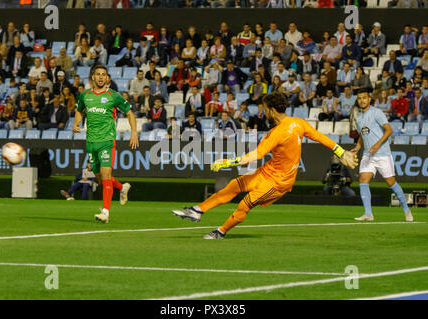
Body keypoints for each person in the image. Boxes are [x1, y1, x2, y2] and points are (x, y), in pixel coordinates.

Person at [171, 92, 358, 239]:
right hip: (267, 172)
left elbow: (255, 155)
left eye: (265, 109)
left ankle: (221, 231)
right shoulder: (298, 123)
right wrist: (341, 152)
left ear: (271, 110)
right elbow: (320, 137)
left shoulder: (276, 133)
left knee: (245, 204)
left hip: (279, 182)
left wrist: (226, 162)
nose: (264, 112)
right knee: (235, 186)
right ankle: (198, 210)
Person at [74, 65, 138, 223]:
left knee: (106, 175)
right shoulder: (85, 95)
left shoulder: (113, 96)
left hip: (107, 141)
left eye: (104, 74)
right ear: (93, 78)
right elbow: (78, 110)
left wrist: (134, 133)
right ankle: (122, 188)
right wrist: (77, 123)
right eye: (98, 74)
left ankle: (105, 212)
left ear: (107, 78)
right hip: (91, 142)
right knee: (101, 179)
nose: (101, 77)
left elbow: (130, 114)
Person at [351, 89, 413, 222]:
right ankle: (368, 214)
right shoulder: (359, 118)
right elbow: (363, 134)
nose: (362, 100)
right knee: (363, 180)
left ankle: (406, 209)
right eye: (359, 98)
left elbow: (389, 130)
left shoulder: (377, 113)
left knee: (391, 183)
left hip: (382, 154)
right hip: (368, 155)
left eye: (364, 98)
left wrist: (377, 145)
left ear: (369, 99)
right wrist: (357, 147)